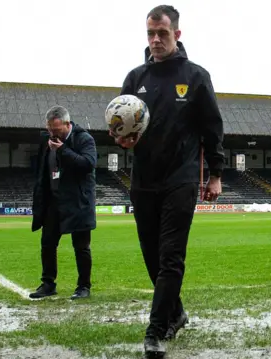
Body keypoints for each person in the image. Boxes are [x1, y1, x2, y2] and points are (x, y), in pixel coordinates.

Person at [113, 5, 225, 358]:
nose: (156, 39)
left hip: (182, 178)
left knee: (171, 257)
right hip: (144, 179)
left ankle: (155, 330)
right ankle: (175, 314)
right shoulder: (134, 79)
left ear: (177, 34)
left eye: (162, 33)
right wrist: (120, 138)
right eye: (150, 33)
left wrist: (216, 174)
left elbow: (212, 128)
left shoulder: (195, 77)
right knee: (152, 257)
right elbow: (119, 124)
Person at [30, 105, 98, 300]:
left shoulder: (84, 139)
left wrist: (63, 151)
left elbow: (88, 164)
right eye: (50, 129)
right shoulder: (47, 141)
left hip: (78, 202)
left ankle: (83, 286)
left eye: (57, 129)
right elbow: (42, 171)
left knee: (81, 247)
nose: (53, 133)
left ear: (68, 124)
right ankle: (48, 283)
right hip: (54, 202)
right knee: (47, 243)